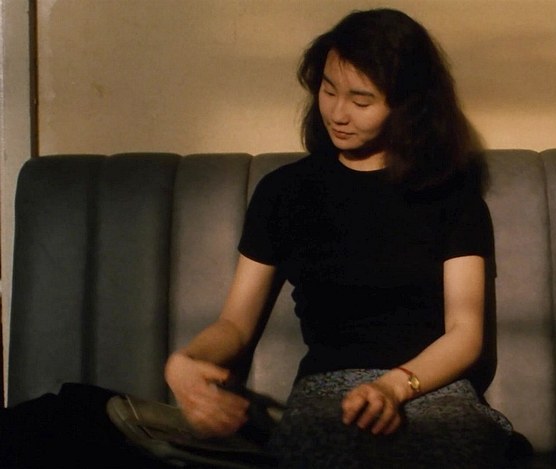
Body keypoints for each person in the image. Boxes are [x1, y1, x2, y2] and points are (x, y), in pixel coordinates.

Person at [164, 7, 514, 468]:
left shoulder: (450, 193)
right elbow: (235, 325)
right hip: (327, 392)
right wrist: (186, 360)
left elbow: (465, 334)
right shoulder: (284, 191)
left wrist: (393, 387)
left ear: (407, 106)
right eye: (328, 90)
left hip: (429, 387)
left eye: (361, 101)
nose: (337, 113)